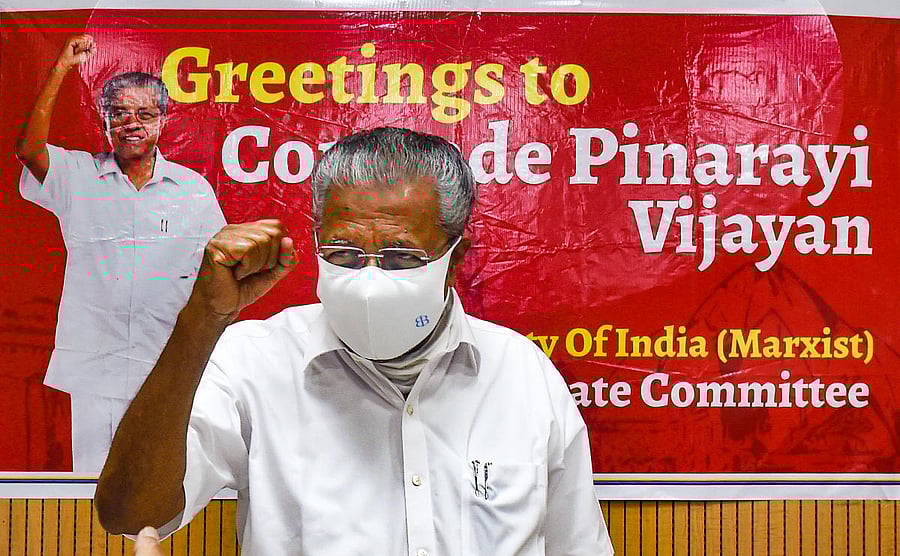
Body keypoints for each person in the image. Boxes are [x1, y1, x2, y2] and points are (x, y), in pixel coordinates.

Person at [96, 128, 614, 555]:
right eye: (343, 254)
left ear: (456, 258)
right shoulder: (255, 362)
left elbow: (578, 546)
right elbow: (130, 513)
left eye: (400, 258)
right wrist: (202, 320)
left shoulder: (521, 375)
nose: (368, 282)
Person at [15, 34, 227, 473]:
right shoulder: (78, 177)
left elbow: (219, 271)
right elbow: (29, 149)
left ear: (163, 120)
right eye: (119, 114)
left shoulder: (193, 191)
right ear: (105, 121)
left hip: (166, 368)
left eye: (144, 114)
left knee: (162, 485)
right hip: (95, 369)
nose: (131, 123)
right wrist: (60, 69)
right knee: (95, 489)